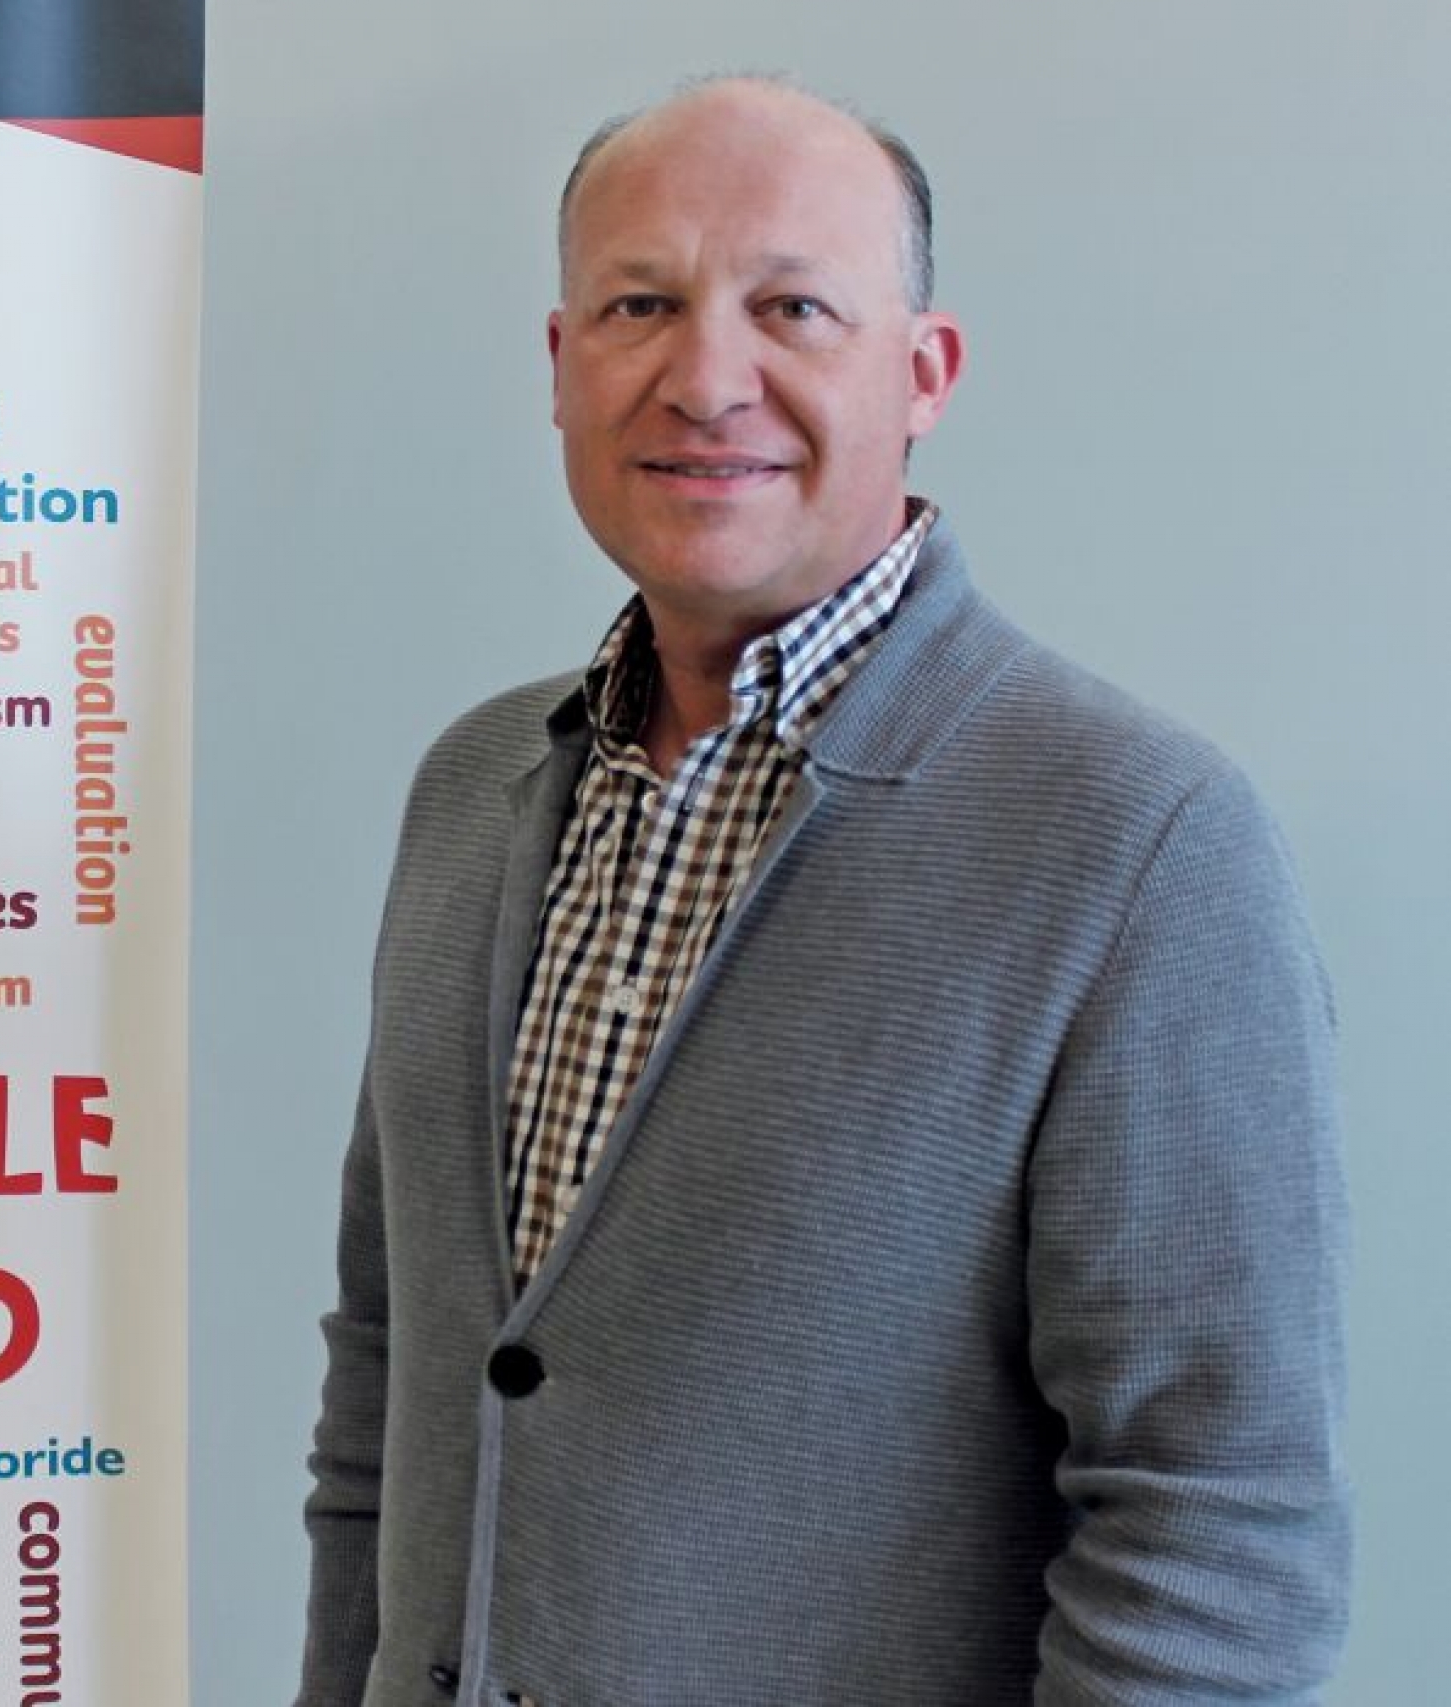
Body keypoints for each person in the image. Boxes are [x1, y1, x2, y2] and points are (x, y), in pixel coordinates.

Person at [298, 76, 1348, 1706]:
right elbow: (389, 1386)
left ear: (922, 374)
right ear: (561, 367)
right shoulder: (474, 787)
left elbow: (1214, 1527)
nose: (708, 377)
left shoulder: (1141, 841)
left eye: (793, 307)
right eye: (641, 304)